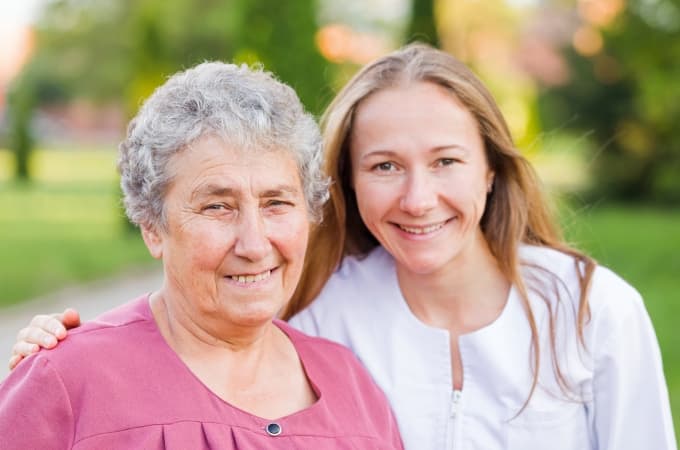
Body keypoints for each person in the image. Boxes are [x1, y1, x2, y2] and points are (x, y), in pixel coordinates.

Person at [9, 44, 675, 450]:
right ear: (347, 185)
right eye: (384, 166)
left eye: (446, 160)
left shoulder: (591, 309)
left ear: (492, 168)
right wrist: (61, 354)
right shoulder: (326, 308)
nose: (417, 198)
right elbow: (195, 318)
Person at [0, 61, 404, 449]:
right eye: (218, 207)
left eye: (276, 203)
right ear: (152, 226)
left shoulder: (352, 384)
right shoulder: (69, 382)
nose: (254, 244)